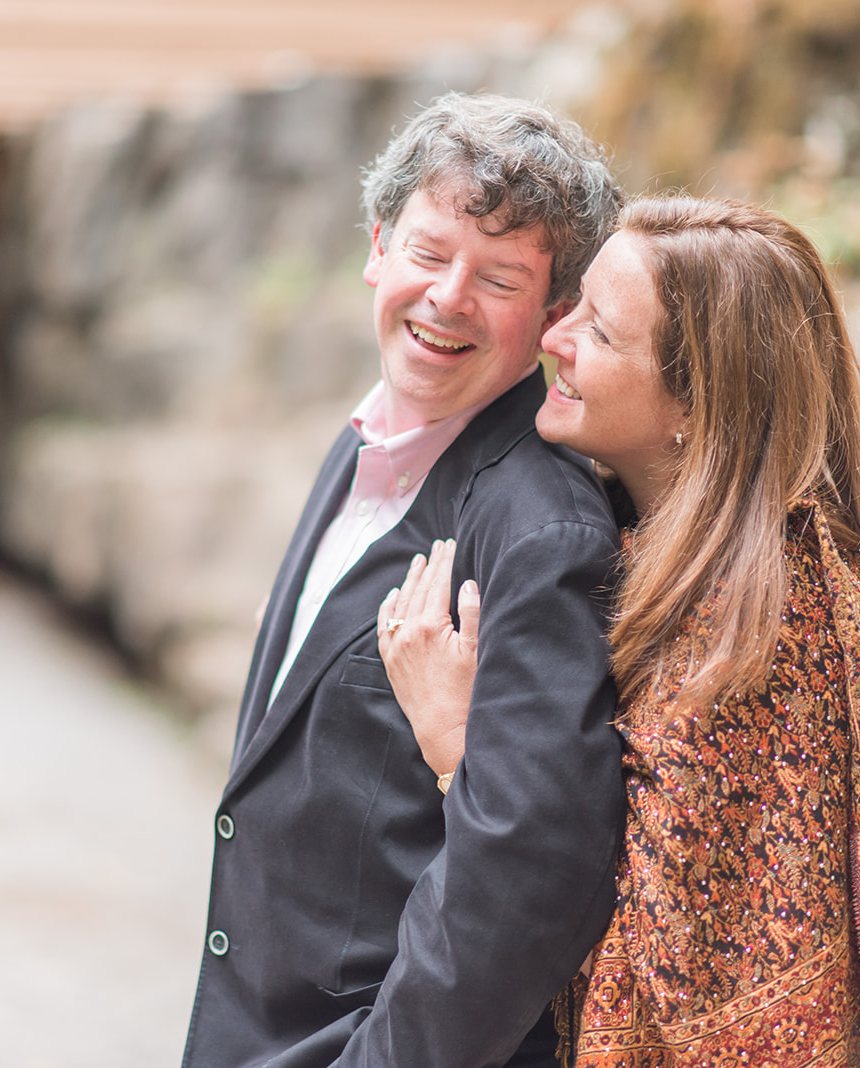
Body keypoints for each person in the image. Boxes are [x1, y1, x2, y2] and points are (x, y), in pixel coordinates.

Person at [378, 196, 860, 1067]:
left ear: (697, 401)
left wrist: (458, 745)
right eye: (573, 308)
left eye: (600, 333)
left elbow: (666, 973)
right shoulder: (664, 542)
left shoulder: (751, 630)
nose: (554, 339)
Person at [182, 93, 630, 1067]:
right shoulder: (367, 438)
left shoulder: (541, 531)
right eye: (428, 253)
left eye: (499, 279)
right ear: (378, 247)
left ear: (555, 317)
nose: (448, 298)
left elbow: (531, 875)